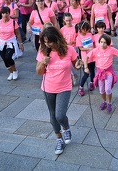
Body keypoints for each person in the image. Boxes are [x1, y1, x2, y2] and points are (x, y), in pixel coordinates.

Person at [36, 26, 82, 155]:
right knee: (52, 115)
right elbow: (39, 72)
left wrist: (78, 65)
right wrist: (43, 63)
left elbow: (76, 64)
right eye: (45, 41)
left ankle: (66, 128)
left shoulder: (69, 50)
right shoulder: (43, 51)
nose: (47, 44)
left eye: (49, 41)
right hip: (48, 87)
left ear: (56, 39)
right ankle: (59, 139)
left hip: (64, 87)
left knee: (60, 115)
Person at [84, 34, 118, 113]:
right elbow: (86, 57)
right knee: (101, 90)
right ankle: (104, 101)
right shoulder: (96, 50)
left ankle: (109, 103)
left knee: (108, 89)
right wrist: (86, 67)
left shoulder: (111, 49)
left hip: (109, 72)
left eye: (105, 42)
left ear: (108, 43)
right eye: (101, 42)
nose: (102, 44)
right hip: (100, 73)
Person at [0, 6, 24, 80]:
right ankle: (11, 72)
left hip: (11, 42)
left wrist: (21, 43)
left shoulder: (13, 22)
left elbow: (18, 33)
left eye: (6, 13)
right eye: (3, 13)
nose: (5, 15)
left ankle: (15, 71)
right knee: (4, 59)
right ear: (1, 14)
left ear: (9, 13)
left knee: (8, 57)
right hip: (1, 43)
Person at [76, 20, 96, 96]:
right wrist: (88, 49)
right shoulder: (78, 37)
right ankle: (81, 87)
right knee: (86, 73)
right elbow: (81, 48)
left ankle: (92, 83)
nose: (86, 31)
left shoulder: (90, 34)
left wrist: (93, 48)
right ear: (81, 29)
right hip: (85, 57)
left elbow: (93, 43)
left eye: (87, 29)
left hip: (92, 56)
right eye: (85, 29)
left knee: (92, 71)